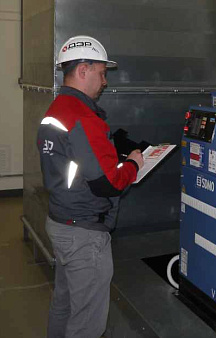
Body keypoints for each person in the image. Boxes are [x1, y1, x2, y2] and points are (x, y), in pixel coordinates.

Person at [37, 35, 144, 338]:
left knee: (64, 304)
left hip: (61, 220)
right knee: (86, 322)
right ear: (83, 70)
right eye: (102, 72)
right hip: (84, 234)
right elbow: (108, 183)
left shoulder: (56, 109)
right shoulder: (84, 117)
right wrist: (134, 164)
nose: (105, 81)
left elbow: (76, 163)